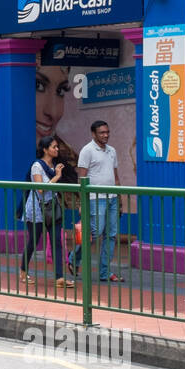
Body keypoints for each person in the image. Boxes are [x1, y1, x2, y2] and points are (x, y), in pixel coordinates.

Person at [77, 119, 123, 283]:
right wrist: (82, 201)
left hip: (112, 198)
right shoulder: (87, 150)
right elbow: (81, 177)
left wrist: (120, 198)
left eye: (107, 132)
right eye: (102, 132)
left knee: (111, 235)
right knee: (95, 233)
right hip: (95, 198)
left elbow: (115, 175)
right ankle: (73, 258)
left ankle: (105, 272)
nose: (106, 135)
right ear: (93, 134)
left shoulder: (112, 151)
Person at [20, 135, 68, 287]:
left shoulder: (53, 165)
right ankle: (23, 271)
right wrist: (57, 176)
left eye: (57, 147)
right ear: (45, 149)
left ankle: (59, 278)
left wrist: (57, 173)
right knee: (33, 241)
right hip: (36, 209)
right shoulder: (37, 166)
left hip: (52, 207)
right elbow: (40, 189)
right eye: (54, 147)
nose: (57, 149)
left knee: (57, 241)